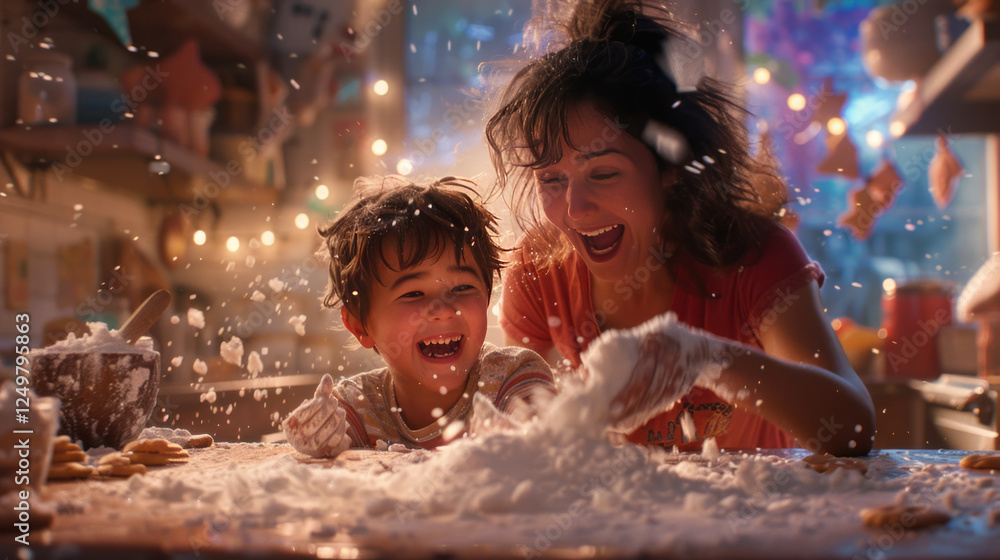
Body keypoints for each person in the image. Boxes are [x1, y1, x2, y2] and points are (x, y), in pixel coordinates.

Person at [485, 0, 875, 456]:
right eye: (552, 180)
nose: (575, 209)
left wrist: (707, 358)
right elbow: (525, 443)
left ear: (670, 168)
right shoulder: (538, 270)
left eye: (604, 174)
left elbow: (850, 431)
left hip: (755, 522)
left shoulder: (754, 256)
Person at [281, 177, 555, 458]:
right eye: (413, 294)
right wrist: (318, 436)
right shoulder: (357, 408)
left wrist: (530, 428)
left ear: (486, 297)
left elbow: (548, 429)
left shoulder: (511, 377)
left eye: (462, 288)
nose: (444, 309)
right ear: (360, 325)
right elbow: (329, 456)